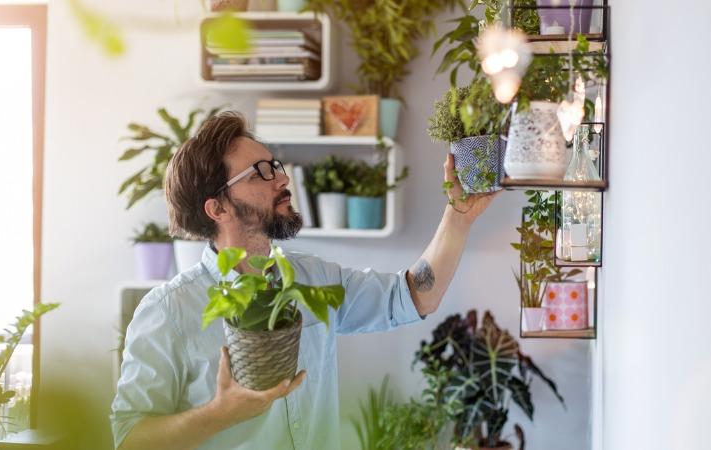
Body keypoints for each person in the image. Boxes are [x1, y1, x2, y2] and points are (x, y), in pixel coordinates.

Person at [110, 111, 497, 450]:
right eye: (261, 172)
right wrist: (219, 414)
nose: (281, 178)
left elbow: (413, 296)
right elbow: (128, 440)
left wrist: (458, 216)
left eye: (274, 165)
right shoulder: (167, 313)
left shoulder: (312, 278)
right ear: (218, 208)